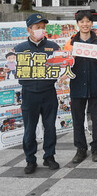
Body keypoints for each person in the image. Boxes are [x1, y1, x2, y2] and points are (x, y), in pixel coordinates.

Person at [14, 13, 60, 174]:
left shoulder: (54, 47)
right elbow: (15, 71)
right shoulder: (20, 49)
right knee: (29, 129)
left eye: (43, 27)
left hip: (49, 93)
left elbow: (60, 68)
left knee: (50, 127)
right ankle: (30, 159)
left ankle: (49, 156)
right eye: (37, 27)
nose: (41, 30)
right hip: (29, 94)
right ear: (29, 29)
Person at [64, 10, 97, 163]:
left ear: (92, 23)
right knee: (77, 119)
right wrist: (70, 59)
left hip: (95, 85)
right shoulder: (70, 42)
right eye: (82, 21)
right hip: (77, 85)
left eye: (87, 21)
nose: (85, 24)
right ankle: (80, 149)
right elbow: (64, 65)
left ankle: (96, 149)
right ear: (77, 24)